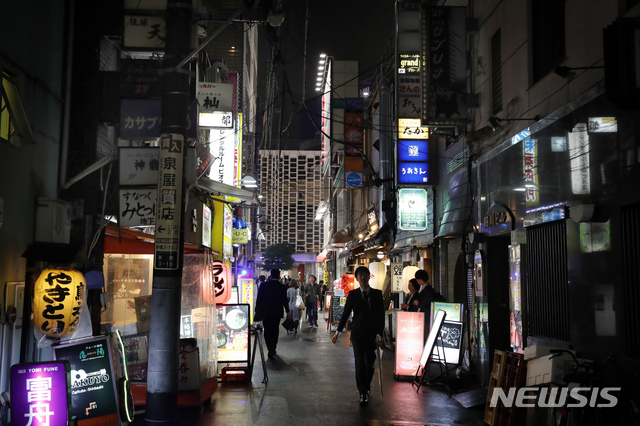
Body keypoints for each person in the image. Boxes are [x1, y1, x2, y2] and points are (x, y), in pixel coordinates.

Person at [332, 266, 385, 405]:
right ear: (356, 278)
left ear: (369, 276)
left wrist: (380, 333)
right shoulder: (353, 294)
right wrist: (338, 331)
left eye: (365, 275)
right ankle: (363, 391)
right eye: (359, 275)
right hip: (357, 334)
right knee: (360, 363)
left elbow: (381, 316)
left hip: (372, 334)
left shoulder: (377, 294)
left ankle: (366, 386)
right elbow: (346, 313)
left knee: (370, 363)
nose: (362, 278)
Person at [254, 268, 290, 358]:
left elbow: (259, 299)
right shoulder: (282, 287)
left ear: (270, 275)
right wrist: (288, 311)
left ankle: (269, 347)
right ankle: (273, 347)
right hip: (277, 311)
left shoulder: (263, 285)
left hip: (266, 311)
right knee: (275, 329)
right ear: (278, 276)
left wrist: (257, 309)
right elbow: (285, 300)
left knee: (267, 330)